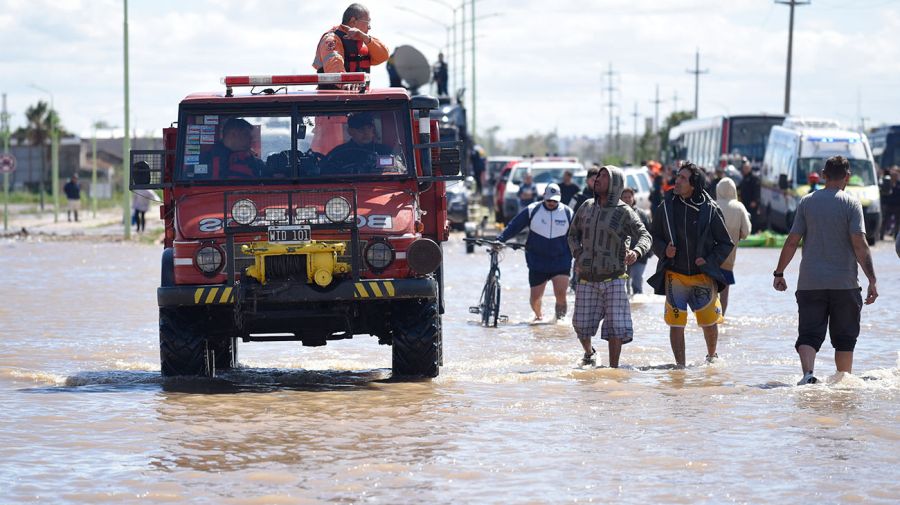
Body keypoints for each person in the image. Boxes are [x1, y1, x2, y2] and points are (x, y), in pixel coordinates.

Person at [772, 155, 878, 385]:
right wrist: (872, 279)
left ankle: (808, 375)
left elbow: (792, 241)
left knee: (809, 335)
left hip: (811, 283)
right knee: (844, 340)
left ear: (823, 175)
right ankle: (844, 383)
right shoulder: (851, 204)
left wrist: (779, 272)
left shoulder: (807, 202)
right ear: (847, 177)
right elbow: (860, 244)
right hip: (845, 284)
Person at [648, 162, 734, 367]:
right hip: (674, 275)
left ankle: (712, 357)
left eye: (683, 178)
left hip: (702, 276)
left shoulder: (711, 209)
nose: (676, 181)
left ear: (694, 184)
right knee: (676, 324)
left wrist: (709, 261)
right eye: (677, 176)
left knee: (709, 323)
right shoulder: (666, 206)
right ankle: (680, 367)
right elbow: (654, 236)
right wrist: (663, 251)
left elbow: (725, 243)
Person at [567, 166, 651, 368]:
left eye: (604, 176)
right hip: (587, 278)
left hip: (614, 278)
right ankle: (589, 353)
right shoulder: (586, 206)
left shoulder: (624, 212)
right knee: (581, 326)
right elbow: (572, 235)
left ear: (614, 184)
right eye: (598, 175)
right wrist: (578, 255)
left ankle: (613, 369)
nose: (597, 179)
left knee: (616, 328)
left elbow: (645, 236)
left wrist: (636, 252)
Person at [497, 183, 573, 323]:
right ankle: (539, 316)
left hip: (561, 260)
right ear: (544, 196)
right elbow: (514, 226)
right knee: (535, 299)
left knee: (561, 295)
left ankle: (560, 322)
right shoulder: (532, 210)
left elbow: (578, 235)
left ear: (560, 198)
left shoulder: (568, 213)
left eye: (554, 200)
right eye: (549, 200)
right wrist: (500, 239)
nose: (551, 203)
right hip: (537, 261)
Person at [312, 4, 389, 80]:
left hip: (361, 92)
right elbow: (334, 65)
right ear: (353, 21)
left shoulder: (365, 41)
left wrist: (366, 38)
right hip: (336, 92)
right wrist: (345, 83)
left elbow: (383, 56)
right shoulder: (331, 39)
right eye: (367, 22)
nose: (369, 27)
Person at [715, 177, 751, 317]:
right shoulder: (739, 207)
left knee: (710, 291)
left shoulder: (713, 205)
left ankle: (709, 321)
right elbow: (746, 232)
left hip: (710, 258)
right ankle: (721, 318)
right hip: (728, 258)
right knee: (724, 292)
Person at [323, 113, 393, 174]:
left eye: (369, 128)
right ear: (350, 131)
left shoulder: (384, 151)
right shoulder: (338, 154)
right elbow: (326, 175)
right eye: (361, 129)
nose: (366, 133)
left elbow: (394, 171)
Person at [199, 118, 266, 179]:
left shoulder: (252, 160)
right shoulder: (206, 159)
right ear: (233, 134)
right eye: (246, 134)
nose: (251, 138)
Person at [620, 187, 652, 297]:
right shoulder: (616, 214)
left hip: (640, 255)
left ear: (633, 198)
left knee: (637, 283)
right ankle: (628, 308)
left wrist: (649, 252)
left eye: (629, 197)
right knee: (624, 286)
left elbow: (649, 233)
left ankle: (639, 307)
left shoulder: (642, 214)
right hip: (622, 256)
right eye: (624, 197)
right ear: (620, 198)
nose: (627, 199)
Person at [738, 158, 761, 232]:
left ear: (750, 168)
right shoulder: (744, 178)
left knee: (752, 220)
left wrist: (755, 201)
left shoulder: (754, 178)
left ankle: (753, 232)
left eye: (747, 168)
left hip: (752, 204)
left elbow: (757, 190)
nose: (745, 169)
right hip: (744, 203)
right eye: (744, 168)